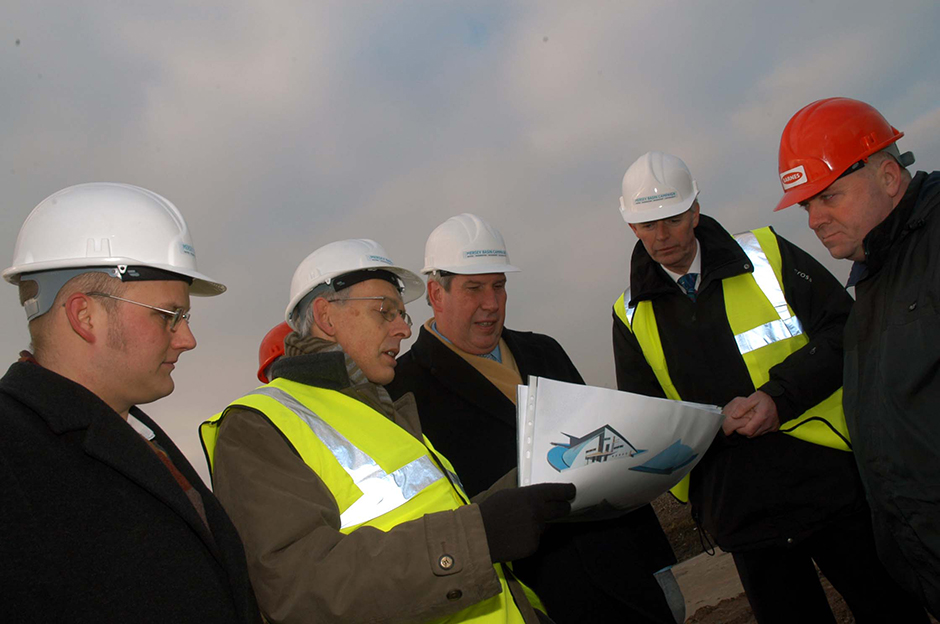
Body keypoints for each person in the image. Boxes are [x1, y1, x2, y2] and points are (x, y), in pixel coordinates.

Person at [612, 152, 927, 623]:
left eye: (673, 219)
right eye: (647, 225)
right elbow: (648, 418)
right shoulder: (629, 314)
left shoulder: (766, 254)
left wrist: (779, 397)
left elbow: (845, 330)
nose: (662, 236)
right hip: (741, 511)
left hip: (830, 484)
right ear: (631, 226)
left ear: (695, 211)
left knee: (891, 610)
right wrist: (714, 425)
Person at [201, 238, 575, 624]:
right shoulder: (255, 425)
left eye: (403, 315)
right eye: (385, 311)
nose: (402, 330)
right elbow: (298, 590)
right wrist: (478, 537)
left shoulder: (380, 407)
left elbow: (435, 517)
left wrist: (527, 487)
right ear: (327, 316)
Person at [387, 214, 683, 624]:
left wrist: (657, 562)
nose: (492, 303)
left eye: (498, 286)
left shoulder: (545, 352)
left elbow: (609, 455)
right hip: (533, 601)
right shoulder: (404, 394)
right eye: (474, 288)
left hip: (625, 579)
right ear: (437, 293)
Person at [0, 183, 261, 623]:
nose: (188, 339)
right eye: (168, 316)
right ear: (85, 315)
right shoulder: (13, 451)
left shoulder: (136, 435)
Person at [775, 96, 940, 616]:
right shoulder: (875, 273)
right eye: (806, 205)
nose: (814, 220)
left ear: (888, 177)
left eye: (829, 196)